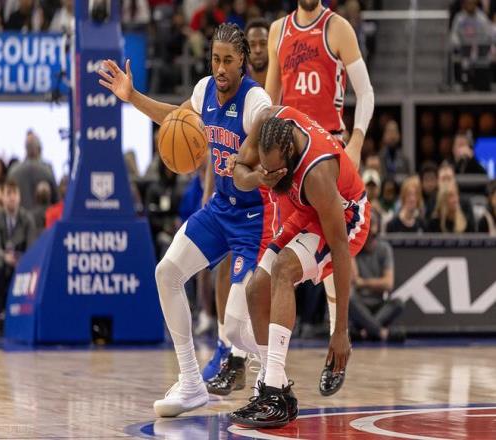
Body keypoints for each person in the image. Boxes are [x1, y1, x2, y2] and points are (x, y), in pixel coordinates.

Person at [98, 23, 274, 417]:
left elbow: (270, 129)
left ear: (243, 61)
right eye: (215, 59)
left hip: (254, 217)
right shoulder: (204, 90)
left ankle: (272, 373)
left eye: (228, 60)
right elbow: (175, 118)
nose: (221, 68)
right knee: (167, 273)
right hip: (221, 208)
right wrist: (132, 97)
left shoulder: (255, 101)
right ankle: (191, 382)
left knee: (234, 329)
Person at [228, 106, 371, 428]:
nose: (273, 179)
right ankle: (277, 389)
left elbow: (340, 250)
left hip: (347, 218)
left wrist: (340, 330)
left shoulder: (318, 173)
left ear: (291, 153)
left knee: (283, 269)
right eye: (268, 169)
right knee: (255, 288)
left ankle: (272, 389)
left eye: (278, 171)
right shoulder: (267, 121)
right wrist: (259, 177)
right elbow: (239, 173)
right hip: (306, 211)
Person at [265, 0, 374, 396]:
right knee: (275, 261)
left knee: (330, 245)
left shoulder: (337, 26)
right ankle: (262, 365)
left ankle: (335, 337)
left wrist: (356, 141)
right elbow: (269, 102)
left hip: (327, 150)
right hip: (287, 158)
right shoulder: (279, 30)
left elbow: (366, 92)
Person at [204, 17, 272, 395]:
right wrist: (209, 189)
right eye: (216, 59)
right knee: (221, 268)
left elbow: (264, 149)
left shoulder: (261, 93)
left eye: (263, 43)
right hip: (227, 198)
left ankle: (266, 367)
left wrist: (245, 163)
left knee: (261, 286)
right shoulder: (216, 87)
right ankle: (227, 349)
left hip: (260, 203)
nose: (259, 49)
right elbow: (213, 144)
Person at [350, 210, 404, 341]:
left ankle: (366, 331)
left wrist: (364, 283)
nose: (368, 229)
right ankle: (381, 332)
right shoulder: (353, 246)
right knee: (349, 300)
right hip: (359, 304)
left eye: (371, 224)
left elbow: (388, 284)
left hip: (378, 304)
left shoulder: (384, 248)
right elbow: (354, 280)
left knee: (398, 303)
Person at [0, 179, 36, 333]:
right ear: (3, 198)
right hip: (3, 261)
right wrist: (5, 257)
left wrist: (21, 260)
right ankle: (0, 312)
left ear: (19, 197)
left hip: (22, 262)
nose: (12, 198)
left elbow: (32, 248)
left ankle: (23, 314)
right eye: (8, 194)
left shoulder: (27, 219)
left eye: (14, 194)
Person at [245, 18, 270, 88]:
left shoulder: (282, 79)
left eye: (263, 43)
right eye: (252, 44)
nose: (258, 50)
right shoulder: (237, 81)